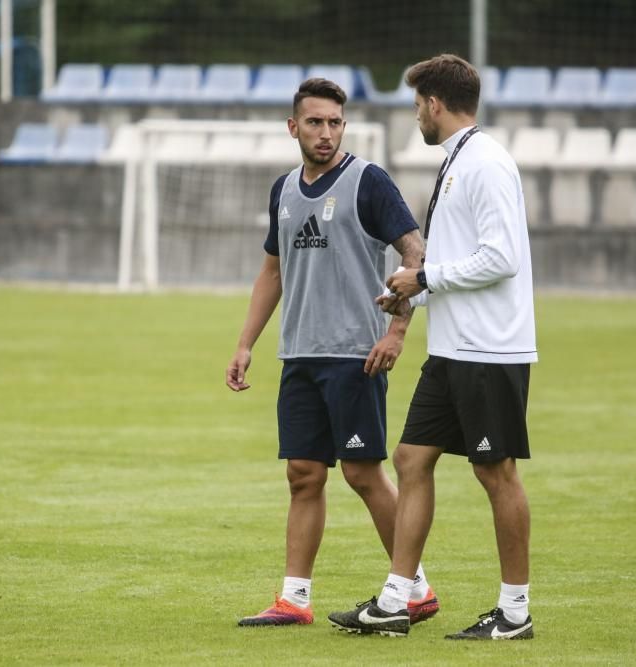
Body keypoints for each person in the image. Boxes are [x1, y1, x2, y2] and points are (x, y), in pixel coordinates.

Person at [328, 54, 538, 640]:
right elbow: (452, 262)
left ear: (435, 104)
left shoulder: (486, 163)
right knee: (411, 459)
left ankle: (515, 612)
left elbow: (501, 259)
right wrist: (410, 298)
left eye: (417, 102)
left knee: (496, 473)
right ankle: (399, 599)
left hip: (490, 351)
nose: (415, 113)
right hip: (452, 350)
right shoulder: (457, 162)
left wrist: (424, 280)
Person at [226, 77, 439, 628]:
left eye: (335, 123)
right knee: (302, 473)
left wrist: (396, 332)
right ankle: (294, 599)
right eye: (315, 122)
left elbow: (415, 254)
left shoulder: (369, 181)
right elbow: (271, 271)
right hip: (299, 355)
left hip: (355, 355)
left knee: (363, 472)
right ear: (293, 126)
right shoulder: (283, 190)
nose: (326, 133)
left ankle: (413, 587)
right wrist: (246, 343)